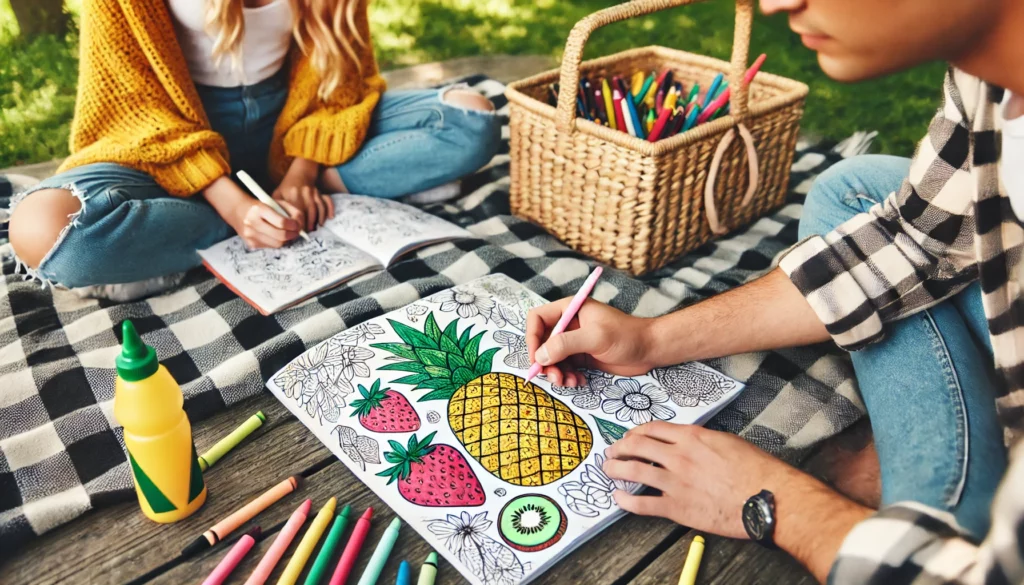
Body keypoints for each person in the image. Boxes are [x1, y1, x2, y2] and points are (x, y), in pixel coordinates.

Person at [526, 0, 1024, 582]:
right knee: (854, 189)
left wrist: (774, 501)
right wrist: (652, 339)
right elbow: (914, 238)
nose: (774, 3)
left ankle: (942, 516)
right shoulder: (992, 80)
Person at [4, 0, 501, 301]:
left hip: (290, 126)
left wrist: (302, 174)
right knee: (41, 228)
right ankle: (227, 225)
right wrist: (233, 205)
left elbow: (340, 78)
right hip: (168, 140)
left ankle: (283, 200)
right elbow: (134, 106)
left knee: (469, 118)